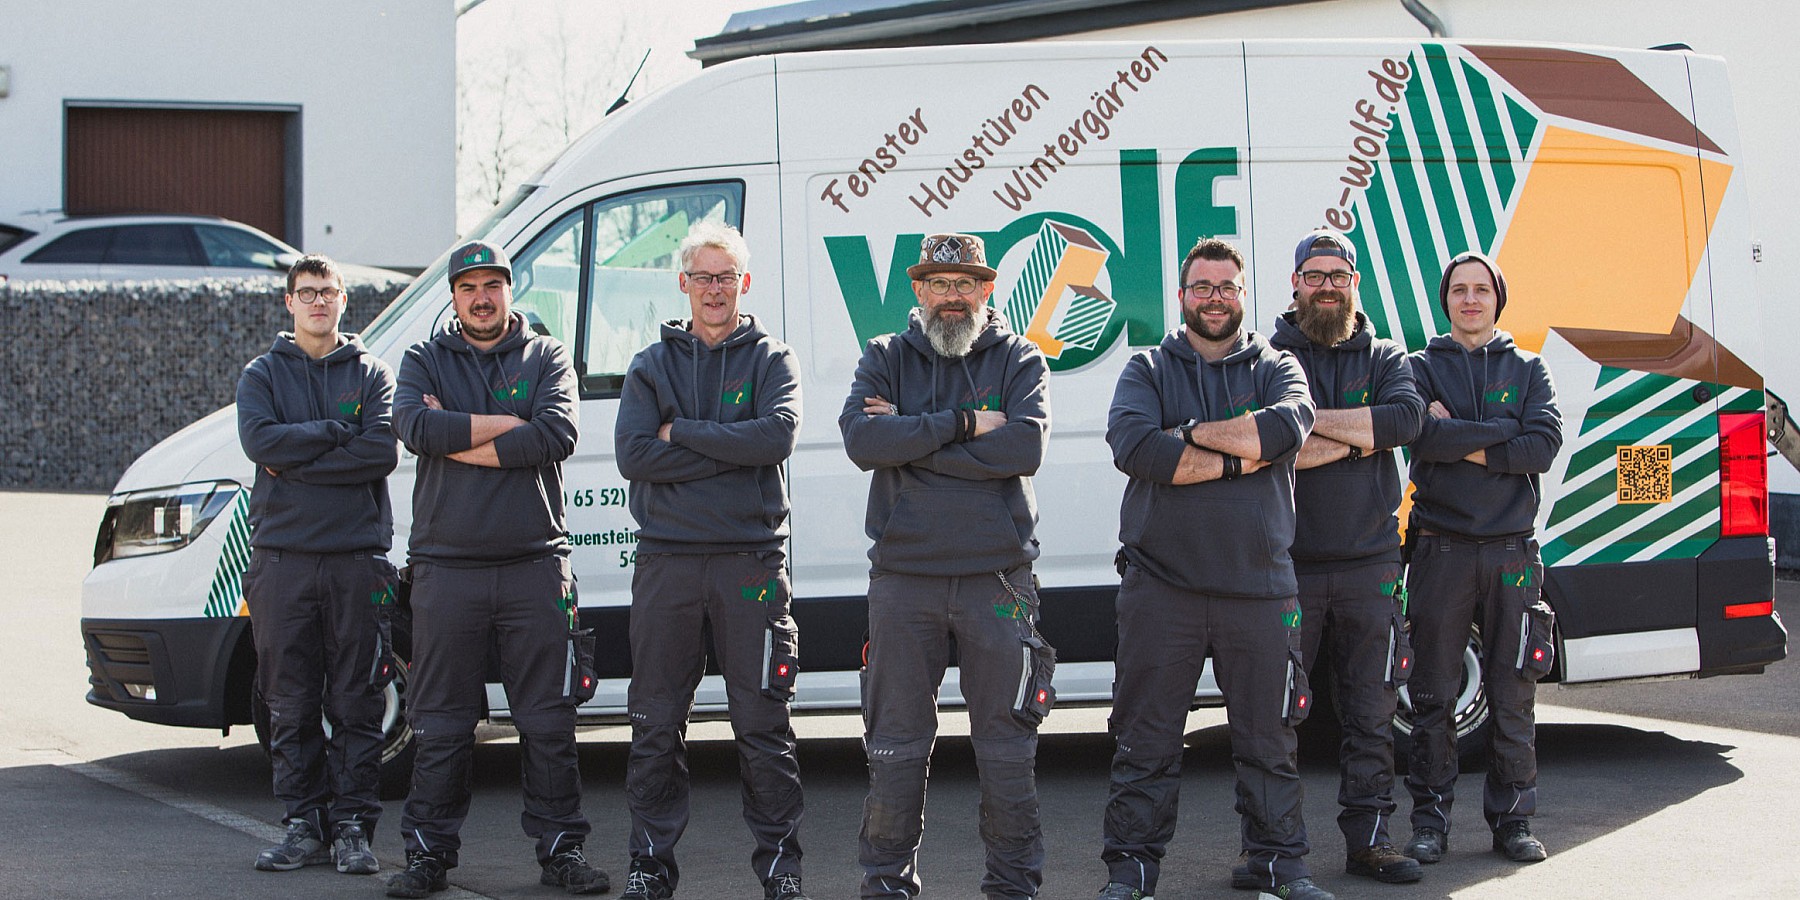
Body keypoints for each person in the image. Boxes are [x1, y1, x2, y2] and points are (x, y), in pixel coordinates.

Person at [1098, 237, 1329, 900]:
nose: (1215, 298)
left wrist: (1188, 433)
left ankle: (1280, 864)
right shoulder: (1147, 369)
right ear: (1182, 296)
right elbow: (1136, 448)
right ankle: (1132, 872)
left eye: (1227, 286)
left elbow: (1287, 429)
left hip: (1258, 588)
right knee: (1145, 740)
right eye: (1202, 287)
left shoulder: (1278, 366)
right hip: (1161, 588)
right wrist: (1239, 454)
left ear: (1243, 294)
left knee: (1270, 741)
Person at [386, 240, 608, 898]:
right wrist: (507, 424)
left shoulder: (547, 356)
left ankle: (562, 851)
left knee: (548, 720)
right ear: (453, 297)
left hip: (534, 565)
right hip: (445, 569)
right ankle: (428, 854)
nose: (481, 298)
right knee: (441, 721)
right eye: (468, 288)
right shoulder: (424, 359)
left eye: (492, 285)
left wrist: (458, 436)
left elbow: (555, 435)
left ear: (511, 290)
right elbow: (414, 430)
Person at [840, 232, 1053, 900]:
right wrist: (966, 423)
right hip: (905, 581)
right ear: (919, 290)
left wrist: (911, 432)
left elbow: (1023, 449)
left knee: (1007, 748)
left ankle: (1013, 888)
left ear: (987, 290)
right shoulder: (884, 356)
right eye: (940, 283)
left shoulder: (1019, 357)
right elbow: (862, 440)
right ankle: (886, 885)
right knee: (895, 747)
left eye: (965, 284)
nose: (952, 296)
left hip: (999, 580)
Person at [613, 221, 809, 900]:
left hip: (750, 565)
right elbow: (635, 455)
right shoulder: (650, 364)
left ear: (743, 283)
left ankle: (781, 871)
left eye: (726, 277)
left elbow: (775, 438)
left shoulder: (773, 360)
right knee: (655, 726)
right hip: (667, 563)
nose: (715, 289)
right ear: (684, 284)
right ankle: (648, 867)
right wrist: (730, 447)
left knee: (763, 726)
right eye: (704, 277)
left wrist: (684, 434)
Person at [1259, 230, 1424, 887]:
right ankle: (1268, 850)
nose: (1326, 286)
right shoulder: (1268, 357)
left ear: (1354, 283)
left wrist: (1308, 423)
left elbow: (1405, 422)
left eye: (1337, 275)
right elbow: (1267, 442)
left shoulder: (1385, 356)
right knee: (1274, 716)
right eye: (1314, 275)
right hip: (1285, 564)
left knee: (1370, 715)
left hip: (1370, 563)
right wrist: (1361, 432)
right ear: (1295, 284)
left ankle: (1372, 842)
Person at [237, 254, 398, 876]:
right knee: (290, 701)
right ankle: (302, 824)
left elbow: (379, 452)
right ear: (289, 302)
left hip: (357, 561)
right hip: (283, 563)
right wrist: (336, 431)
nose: (318, 302)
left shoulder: (372, 373)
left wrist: (297, 456)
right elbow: (260, 442)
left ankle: (353, 827)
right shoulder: (261, 375)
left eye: (328, 292)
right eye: (306, 293)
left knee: (359, 700)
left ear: (343, 299)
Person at [1401, 251, 1562, 866]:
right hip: (1439, 551)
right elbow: (1420, 436)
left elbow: (1541, 446)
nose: (1470, 299)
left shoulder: (1528, 368)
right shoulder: (1418, 369)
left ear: (1498, 298)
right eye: (1459, 290)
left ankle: (1513, 822)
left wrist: (1460, 434)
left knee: (1513, 693)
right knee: (1432, 696)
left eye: (1482, 289)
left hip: (1511, 554)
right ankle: (1430, 823)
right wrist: (1501, 429)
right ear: (1446, 300)